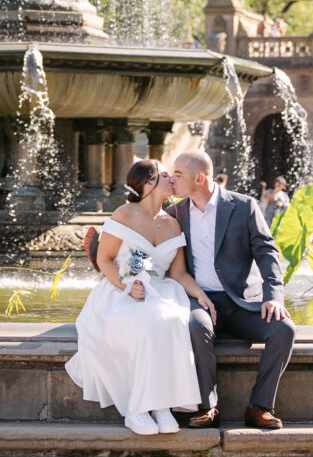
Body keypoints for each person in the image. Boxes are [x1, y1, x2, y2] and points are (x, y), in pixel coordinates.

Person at [65, 159, 215, 435]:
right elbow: (105, 260)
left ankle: (162, 406)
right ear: (149, 183)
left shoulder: (173, 223)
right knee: (145, 323)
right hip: (120, 289)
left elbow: (179, 274)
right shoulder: (123, 214)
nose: (172, 179)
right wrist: (126, 284)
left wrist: (201, 295)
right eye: (165, 175)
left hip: (162, 289)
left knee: (173, 320)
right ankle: (137, 409)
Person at [167, 150, 295, 430]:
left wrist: (273, 296)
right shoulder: (174, 213)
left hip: (242, 303)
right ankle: (208, 407)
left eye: (177, 174)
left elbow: (267, 253)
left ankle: (259, 407)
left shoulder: (244, 206)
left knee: (284, 329)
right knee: (196, 326)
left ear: (199, 179)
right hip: (200, 301)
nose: (171, 180)